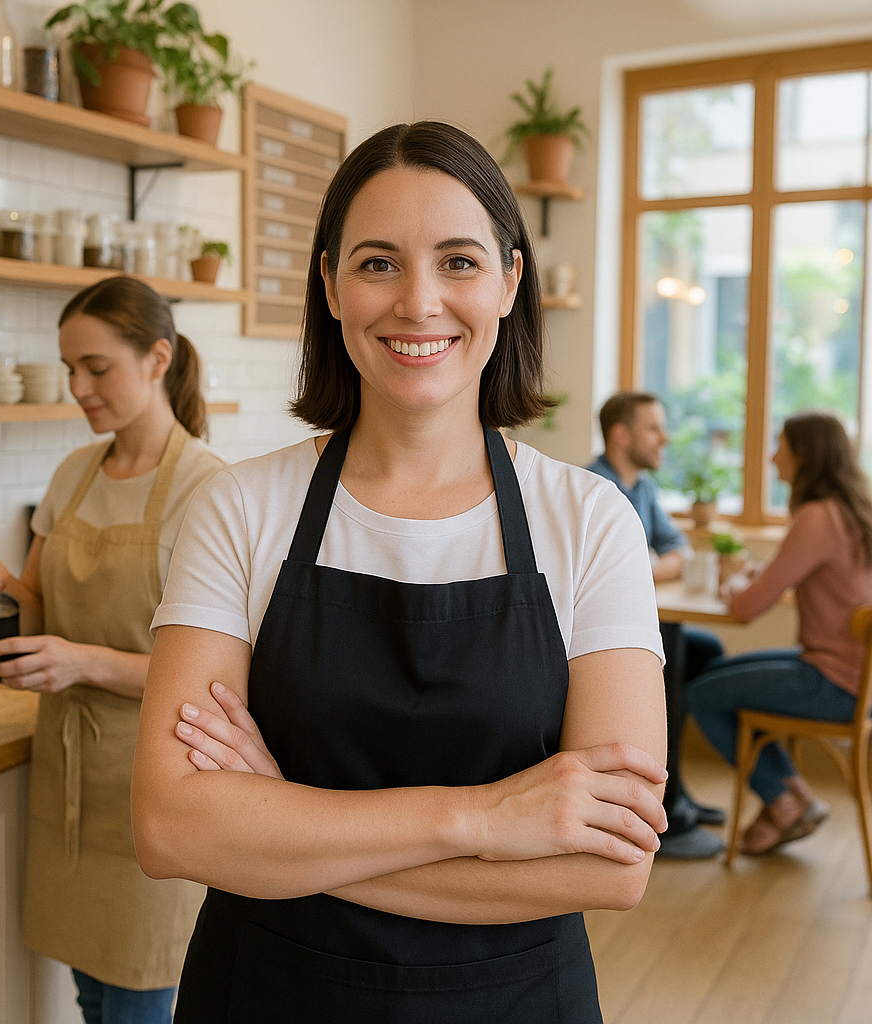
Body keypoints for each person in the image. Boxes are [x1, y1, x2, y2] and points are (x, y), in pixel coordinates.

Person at [131, 121, 668, 1024]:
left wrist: (282, 818)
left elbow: (609, 866)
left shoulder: (590, 521)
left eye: (459, 261)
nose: (419, 302)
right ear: (330, 284)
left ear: (509, 281)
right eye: (378, 263)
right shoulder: (240, 508)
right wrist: (483, 819)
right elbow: (171, 828)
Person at [0, 276, 226, 1024]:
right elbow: (39, 607)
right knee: (92, 999)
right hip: (67, 774)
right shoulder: (73, 473)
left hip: (156, 781)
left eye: (96, 368)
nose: (78, 388)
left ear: (157, 359)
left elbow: (218, 677)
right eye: (69, 368)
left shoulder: (207, 488)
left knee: (139, 1000)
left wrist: (83, 663)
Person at [687, 411, 872, 855]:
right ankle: (793, 797)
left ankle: (783, 800)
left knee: (700, 694)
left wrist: (736, 582)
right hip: (855, 676)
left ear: (804, 454)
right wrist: (758, 578)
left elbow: (747, 608)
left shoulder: (817, 517)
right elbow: (785, 575)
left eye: (780, 447)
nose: (772, 458)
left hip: (834, 683)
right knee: (715, 671)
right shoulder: (851, 511)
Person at [586, 391, 726, 859]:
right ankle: (665, 811)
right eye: (654, 428)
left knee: (705, 651)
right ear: (620, 435)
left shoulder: (642, 488)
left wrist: (649, 566)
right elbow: (612, 574)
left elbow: (678, 549)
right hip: (596, 635)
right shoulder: (595, 489)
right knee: (672, 652)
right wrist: (654, 565)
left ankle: (676, 790)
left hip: (641, 620)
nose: (665, 438)